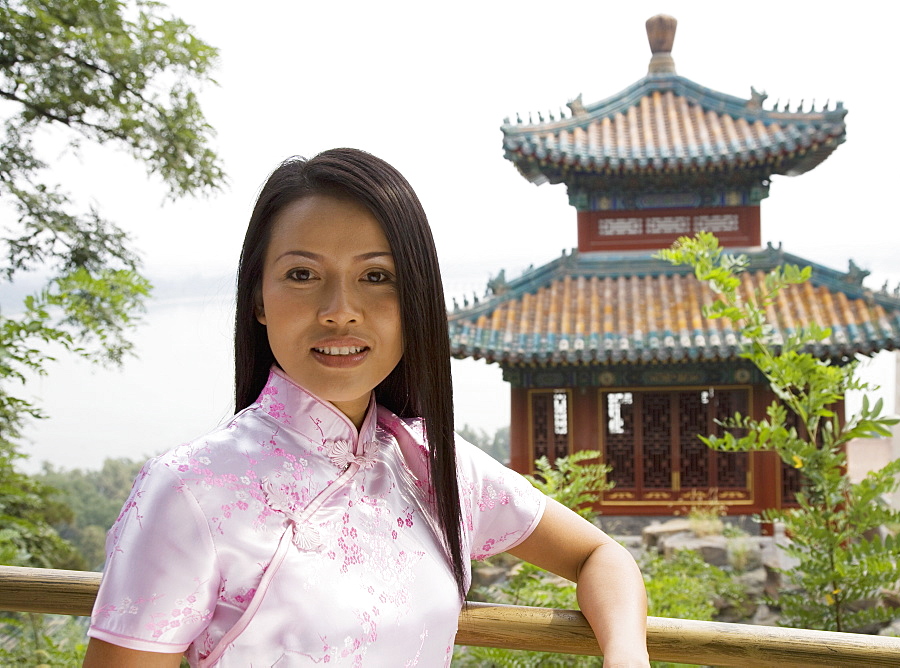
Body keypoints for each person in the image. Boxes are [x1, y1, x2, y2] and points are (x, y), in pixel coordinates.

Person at [83, 148, 649, 667]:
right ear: (258, 297)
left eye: (376, 277)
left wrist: (625, 655)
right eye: (302, 275)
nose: (340, 311)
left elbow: (600, 557)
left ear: (414, 301)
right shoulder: (189, 491)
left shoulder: (435, 466)